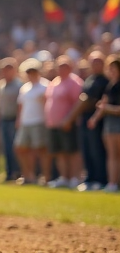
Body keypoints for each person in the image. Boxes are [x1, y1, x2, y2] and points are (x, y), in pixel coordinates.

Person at [66, 52, 109, 191]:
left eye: (98, 62)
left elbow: (90, 100)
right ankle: (90, 178)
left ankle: (100, 179)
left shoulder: (105, 80)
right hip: (85, 119)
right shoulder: (89, 79)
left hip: (96, 120)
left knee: (97, 150)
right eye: (93, 62)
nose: (96, 65)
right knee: (87, 149)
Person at [44, 56, 84, 188]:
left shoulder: (74, 82)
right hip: (54, 124)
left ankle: (74, 177)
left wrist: (69, 120)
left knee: (72, 151)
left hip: (68, 123)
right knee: (60, 152)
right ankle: (64, 177)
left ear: (70, 67)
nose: (61, 69)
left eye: (64, 66)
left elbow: (78, 104)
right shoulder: (55, 82)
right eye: (60, 66)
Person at [15, 58, 51, 186]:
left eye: (33, 72)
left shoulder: (45, 86)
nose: (31, 75)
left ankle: (45, 177)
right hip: (26, 122)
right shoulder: (25, 87)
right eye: (29, 72)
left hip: (39, 121)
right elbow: (21, 105)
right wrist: (19, 119)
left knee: (41, 150)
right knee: (20, 148)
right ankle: (28, 175)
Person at [88, 56, 120, 192]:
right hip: (109, 123)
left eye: (114, 68)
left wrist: (106, 109)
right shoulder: (110, 85)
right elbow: (104, 104)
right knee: (112, 155)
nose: (111, 71)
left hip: (117, 123)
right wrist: (94, 118)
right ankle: (112, 183)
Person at [0, 58, 23, 181]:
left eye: (8, 69)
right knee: (6, 147)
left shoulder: (19, 85)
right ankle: (9, 173)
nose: (5, 72)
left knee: (16, 147)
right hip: (3, 119)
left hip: (14, 119)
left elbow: (21, 104)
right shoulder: (1, 84)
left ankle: (18, 172)